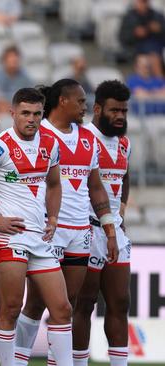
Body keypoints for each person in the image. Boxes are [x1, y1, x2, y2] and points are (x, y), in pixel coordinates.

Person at [0, 88, 73, 366]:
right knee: (10, 308)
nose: (31, 119)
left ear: (42, 114)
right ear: (12, 113)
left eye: (36, 114)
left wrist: (53, 218)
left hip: (39, 239)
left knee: (63, 309)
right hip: (10, 239)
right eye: (25, 113)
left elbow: (55, 184)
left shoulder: (50, 144)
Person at [14, 79, 119, 366]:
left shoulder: (88, 138)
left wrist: (109, 229)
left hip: (79, 231)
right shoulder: (39, 132)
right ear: (63, 102)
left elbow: (96, 187)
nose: (86, 107)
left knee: (67, 305)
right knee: (35, 304)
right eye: (81, 101)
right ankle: (18, 361)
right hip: (47, 231)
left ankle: (55, 362)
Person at [73, 80, 133, 366]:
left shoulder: (124, 142)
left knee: (120, 301)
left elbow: (125, 177)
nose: (120, 116)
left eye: (124, 110)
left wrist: (120, 212)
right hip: (86, 229)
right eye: (114, 110)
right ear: (97, 109)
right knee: (84, 304)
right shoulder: (82, 138)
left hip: (114, 232)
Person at [0, 46, 34, 114]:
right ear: (4, 60)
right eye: (10, 57)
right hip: (1, 112)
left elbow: (30, 98)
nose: (13, 60)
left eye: (15, 57)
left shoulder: (25, 77)